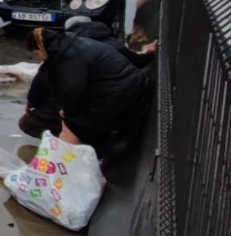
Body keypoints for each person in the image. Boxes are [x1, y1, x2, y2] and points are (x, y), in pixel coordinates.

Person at [19, 27, 152, 154]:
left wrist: (67, 112)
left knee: (68, 122)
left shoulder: (69, 56)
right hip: (127, 89)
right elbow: (44, 80)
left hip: (120, 97)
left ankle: (80, 153)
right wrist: (33, 101)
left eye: (37, 53)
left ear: (42, 47)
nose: (38, 57)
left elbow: (73, 89)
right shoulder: (67, 47)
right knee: (66, 117)